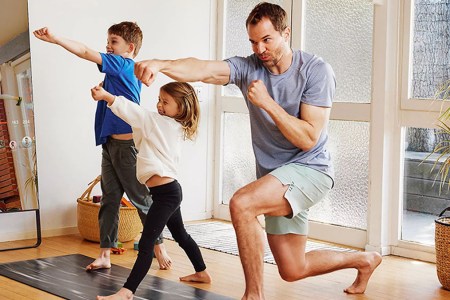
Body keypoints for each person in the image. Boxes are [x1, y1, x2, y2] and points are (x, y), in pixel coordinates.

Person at [133, 2, 382, 299]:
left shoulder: (316, 71)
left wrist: (267, 103)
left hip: (311, 169)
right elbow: (203, 69)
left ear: (285, 33)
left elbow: (309, 138)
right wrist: (162, 64)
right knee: (292, 269)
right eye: (253, 41)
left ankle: (254, 296)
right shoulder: (248, 67)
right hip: (277, 177)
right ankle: (365, 260)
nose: (259, 48)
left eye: (267, 40)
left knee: (241, 203)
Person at [33, 22, 172, 271]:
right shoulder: (115, 71)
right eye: (108, 41)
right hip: (110, 145)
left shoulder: (124, 64)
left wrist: (56, 38)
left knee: (140, 198)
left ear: (130, 47)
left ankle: (159, 245)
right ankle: (105, 255)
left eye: (114, 42)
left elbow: (86, 51)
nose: (108, 46)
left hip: (127, 147)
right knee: (110, 200)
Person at [91, 81, 211, 300]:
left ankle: (126, 293)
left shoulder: (159, 124)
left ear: (182, 107)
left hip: (167, 195)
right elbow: (140, 120)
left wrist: (106, 96)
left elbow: (134, 112)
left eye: (166, 102)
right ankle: (201, 272)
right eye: (159, 100)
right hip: (168, 192)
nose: (159, 105)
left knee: (146, 243)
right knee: (180, 234)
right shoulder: (169, 125)